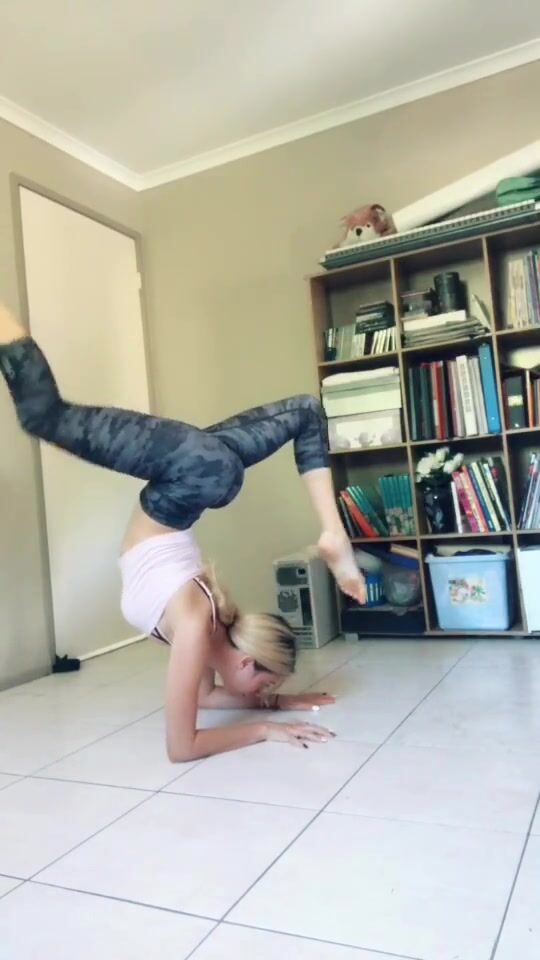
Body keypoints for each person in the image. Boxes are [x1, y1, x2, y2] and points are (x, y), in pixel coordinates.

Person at [0, 304, 366, 761]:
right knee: (44, 417)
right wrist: (266, 729)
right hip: (193, 474)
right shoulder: (196, 625)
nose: (261, 692)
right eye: (265, 684)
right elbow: (183, 747)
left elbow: (207, 699)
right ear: (246, 661)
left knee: (307, 411)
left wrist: (277, 704)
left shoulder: (205, 631)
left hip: (203, 473)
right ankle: (334, 536)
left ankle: (333, 532)